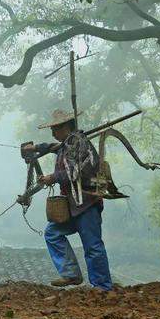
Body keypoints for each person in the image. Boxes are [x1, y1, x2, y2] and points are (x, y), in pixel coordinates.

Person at [22, 109, 113, 291]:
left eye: (55, 129)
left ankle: (102, 287)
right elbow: (51, 146)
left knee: (93, 246)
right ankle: (71, 273)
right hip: (73, 206)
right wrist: (35, 148)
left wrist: (52, 177)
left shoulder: (80, 144)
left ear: (66, 127)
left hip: (87, 203)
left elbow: (77, 171)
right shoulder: (66, 145)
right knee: (52, 233)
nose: (53, 133)